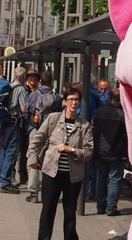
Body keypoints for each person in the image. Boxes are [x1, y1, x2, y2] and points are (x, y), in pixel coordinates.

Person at [27, 86, 94, 240]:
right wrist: (32, 159)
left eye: (77, 100)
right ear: (64, 102)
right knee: (48, 211)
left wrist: (71, 150)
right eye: (70, 99)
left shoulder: (84, 126)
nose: (74, 103)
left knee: (70, 213)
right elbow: (37, 139)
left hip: (73, 177)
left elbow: (89, 152)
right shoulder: (53, 119)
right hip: (52, 173)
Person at [25, 71, 60, 203]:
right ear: (51, 82)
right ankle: (49, 191)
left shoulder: (34, 95)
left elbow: (27, 111)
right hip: (52, 132)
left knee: (33, 159)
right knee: (49, 161)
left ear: (40, 81)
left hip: (36, 130)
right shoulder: (57, 97)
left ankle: (33, 193)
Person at [92, 87, 128, 216]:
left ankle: (100, 206)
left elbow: (93, 130)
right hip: (116, 152)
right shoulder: (122, 115)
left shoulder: (98, 112)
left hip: (100, 151)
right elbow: (126, 135)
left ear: (109, 97)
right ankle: (111, 208)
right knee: (114, 180)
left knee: (100, 178)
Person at [0, 66, 28, 193]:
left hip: (5, 122)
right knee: (11, 151)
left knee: (4, 150)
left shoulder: (9, 86)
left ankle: (2, 177)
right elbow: (23, 109)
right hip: (14, 122)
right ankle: (5, 182)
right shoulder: (21, 89)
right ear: (24, 77)